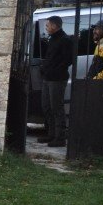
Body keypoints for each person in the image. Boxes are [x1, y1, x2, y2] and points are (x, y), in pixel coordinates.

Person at [37, 15, 73, 148]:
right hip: (48, 78)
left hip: (57, 78)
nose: (46, 28)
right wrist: (45, 69)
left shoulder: (65, 40)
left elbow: (67, 60)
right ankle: (51, 134)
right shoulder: (53, 39)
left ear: (54, 26)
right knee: (46, 106)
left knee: (56, 107)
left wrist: (53, 70)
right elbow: (50, 57)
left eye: (47, 25)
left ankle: (60, 137)